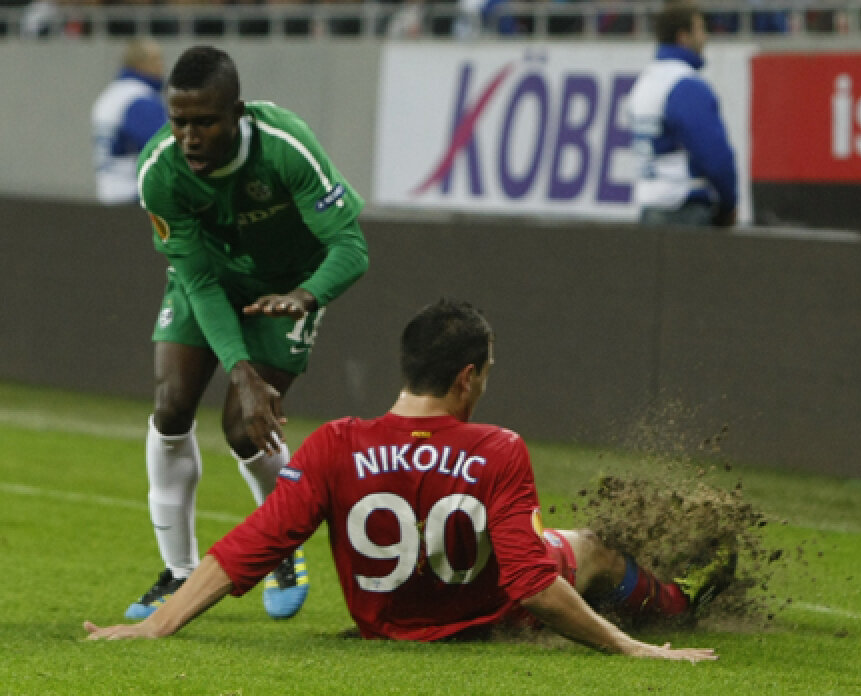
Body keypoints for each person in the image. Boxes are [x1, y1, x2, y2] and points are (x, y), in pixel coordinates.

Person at [86, 299, 736, 661]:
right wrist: (631, 651)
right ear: (467, 377)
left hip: (386, 624)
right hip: (486, 617)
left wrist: (159, 624)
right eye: (487, 372)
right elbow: (532, 585)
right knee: (590, 547)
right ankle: (681, 609)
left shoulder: (334, 445)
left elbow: (250, 547)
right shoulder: (498, 448)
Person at [124, 45, 369, 623]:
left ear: (237, 112)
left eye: (205, 121)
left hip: (286, 291)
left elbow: (352, 247)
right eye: (178, 121)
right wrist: (240, 367)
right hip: (208, 283)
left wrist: (305, 297)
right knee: (170, 406)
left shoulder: (286, 149)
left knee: (241, 426)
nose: (189, 136)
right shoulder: (159, 172)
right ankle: (179, 574)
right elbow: (200, 281)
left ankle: (280, 547)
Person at [628, 1, 738, 228]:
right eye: (700, 30)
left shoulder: (645, 82)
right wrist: (729, 203)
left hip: (650, 206)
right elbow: (715, 157)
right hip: (684, 209)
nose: (706, 38)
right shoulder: (685, 85)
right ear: (683, 37)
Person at [91, 39, 167, 205]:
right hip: (134, 195)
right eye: (156, 59)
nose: (162, 66)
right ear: (140, 64)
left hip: (109, 192)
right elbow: (164, 148)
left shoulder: (110, 95)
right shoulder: (139, 99)